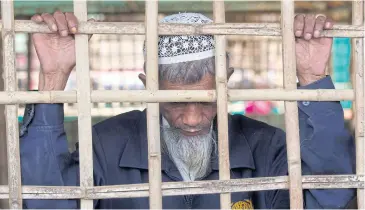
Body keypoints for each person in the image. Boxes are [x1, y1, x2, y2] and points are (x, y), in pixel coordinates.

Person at [20, 12, 356, 209]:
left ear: (228, 83)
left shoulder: (266, 146)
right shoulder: (106, 145)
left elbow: (330, 197)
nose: (193, 118)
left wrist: (312, 78)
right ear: (148, 85)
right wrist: (54, 77)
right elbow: (42, 202)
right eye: (177, 101)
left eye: (207, 98)